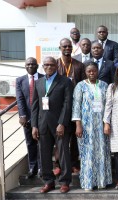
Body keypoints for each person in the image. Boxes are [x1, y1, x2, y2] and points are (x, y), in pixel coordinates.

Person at [31, 56, 74, 193]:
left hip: (59, 125)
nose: (49, 67)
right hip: (42, 124)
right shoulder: (39, 82)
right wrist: (34, 125)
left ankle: (64, 181)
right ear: (43, 67)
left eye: (51, 64)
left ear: (56, 66)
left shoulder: (65, 81)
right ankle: (48, 181)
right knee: (44, 154)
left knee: (63, 153)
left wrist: (62, 123)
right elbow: (35, 106)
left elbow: (67, 105)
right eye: (46, 65)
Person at [72, 62, 112, 191]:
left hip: (101, 125)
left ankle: (101, 182)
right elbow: (76, 105)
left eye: (94, 71)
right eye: (89, 71)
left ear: (97, 71)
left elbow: (108, 105)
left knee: (101, 152)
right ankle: (88, 182)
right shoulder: (80, 86)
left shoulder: (104, 85)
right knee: (87, 153)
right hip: (86, 126)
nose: (91, 73)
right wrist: (78, 125)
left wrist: (107, 123)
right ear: (85, 72)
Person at [56, 38, 86, 175]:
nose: (67, 48)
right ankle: (58, 163)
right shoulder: (55, 64)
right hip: (59, 105)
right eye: (64, 46)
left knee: (74, 137)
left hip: (75, 104)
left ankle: (74, 163)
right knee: (59, 136)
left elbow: (83, 85)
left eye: (69, 46)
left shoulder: (79, 65)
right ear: (60, 48)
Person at [16, 57, 44, 179]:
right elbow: (20, 99)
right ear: (25, 66)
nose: (31, 66)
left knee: (43, 143)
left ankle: (42, 168)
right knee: (30, 142)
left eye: (33, 64)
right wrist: (22, 115)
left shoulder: (44, 78)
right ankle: (32, 167)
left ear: (37, 66)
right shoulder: (20, 80)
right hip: (27, 117)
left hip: (42, 116)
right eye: (28, 64)